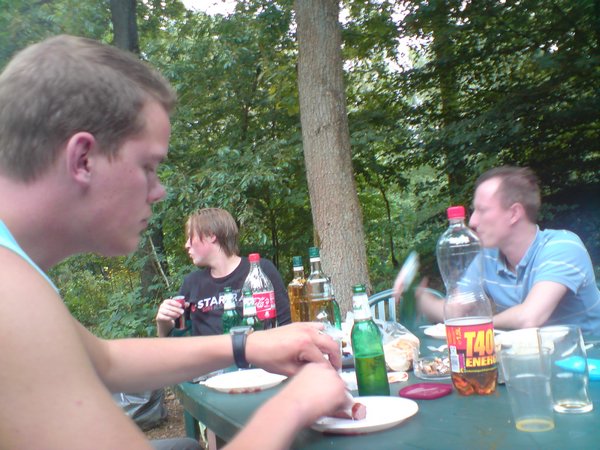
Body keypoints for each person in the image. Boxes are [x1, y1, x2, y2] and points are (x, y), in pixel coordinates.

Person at [0, 35, 349, 450]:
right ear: (83, 159)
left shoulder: (17, 273)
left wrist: (247, 345)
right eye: (148, 166)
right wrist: (296, 403)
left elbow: (107, 361)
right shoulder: (9, 294)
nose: (158, 190)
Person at [413, 166, 600, 334]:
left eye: (482, 210)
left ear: (513, 213)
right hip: (529, 357)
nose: (473, 222)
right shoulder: (487, 257)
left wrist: (480, 325)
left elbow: (530, 317)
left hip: (588, 355)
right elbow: (455, 311)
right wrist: (416, 295)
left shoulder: (563, 247)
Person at [156, 208, 291, 337]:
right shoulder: (192, 283)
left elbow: (287, 326)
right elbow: (172, 341)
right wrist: (163, 323)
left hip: (256, 351)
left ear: (211, 235)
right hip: (209, 354)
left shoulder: (259, 270)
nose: (186, 245)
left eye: (190, 236)